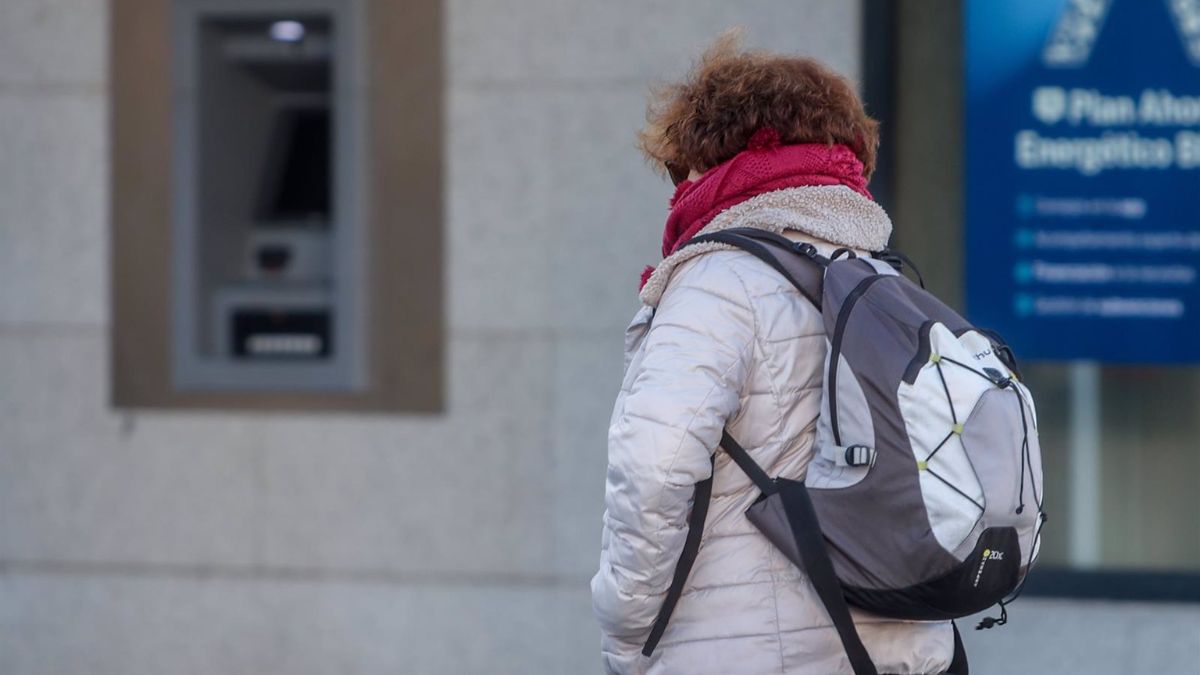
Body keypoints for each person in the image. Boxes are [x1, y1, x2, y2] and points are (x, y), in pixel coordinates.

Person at [591, 33, 955, 674]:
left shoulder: (717, 283)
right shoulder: (881, 279)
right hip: (899, 644)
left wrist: (628, 633)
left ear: (709, 159)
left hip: (749, 648)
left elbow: (654, 466)